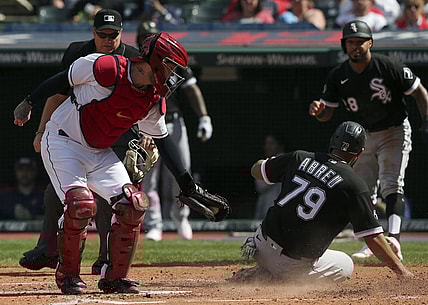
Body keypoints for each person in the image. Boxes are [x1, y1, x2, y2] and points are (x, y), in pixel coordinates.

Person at [13, 31, 229, 295]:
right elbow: (62, 80)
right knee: (80, 204)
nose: (173, 74)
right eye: (170, 66)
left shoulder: (152, 99)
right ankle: (68, 275)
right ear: (155, 60)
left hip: (99, 151)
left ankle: (114, 277)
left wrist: (188, 186)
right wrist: (28, 102)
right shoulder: (105, 67)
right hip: (63, 142)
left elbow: (164, 141)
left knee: (133, 204)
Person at [18, 8, 142, 276]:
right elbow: (58, 92)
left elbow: (145, 105)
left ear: (122, 33)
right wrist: (41, 131)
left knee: (118, 200)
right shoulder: (78, 52)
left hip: (118, 133)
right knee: (63, 194)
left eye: (114, 34)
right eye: (102, 34)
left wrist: (146, 138)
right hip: (77, 132)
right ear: (93, 32)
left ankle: (106, 258)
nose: (108, 40)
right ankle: (50, 249)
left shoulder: (133, 57)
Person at [232, 121, 414, 283]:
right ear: (359, 153)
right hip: (289, 265)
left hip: (259, 244)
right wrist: (402, 272)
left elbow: (257, 170)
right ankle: (268, 277)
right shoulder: (354, 185)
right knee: (345, 264)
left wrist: (272, 163)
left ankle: (263, 269)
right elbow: (373, 237)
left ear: (332, 142)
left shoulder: (299, 157)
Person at [308, 20, 428, 260]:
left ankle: (394, 239)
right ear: (344, 45)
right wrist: (319, 111)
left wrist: (426, 119)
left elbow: (419, 91)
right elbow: (327, 113)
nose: (356, 46)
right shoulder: (338, 75)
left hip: (394, 130)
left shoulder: (387, 66)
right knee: (363, 190)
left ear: (370, 42)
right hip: (362, 137)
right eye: (351, 42)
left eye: (360, 41)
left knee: (392, 183)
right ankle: (372, 243)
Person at [136, 21, 214, 241]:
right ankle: (154, 224)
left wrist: (204, 118)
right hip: (145, 127)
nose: (147, 39)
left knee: (182, 172)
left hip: (173, 123)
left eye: (150, 35)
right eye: (144, 36)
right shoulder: (134, 62)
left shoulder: (172, 60)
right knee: (148, 179)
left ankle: (182, 218)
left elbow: (191, 90)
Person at [253, 132, 286, 220]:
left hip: (277, 209)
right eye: (266, 143)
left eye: (271, 143)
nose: (267, 147)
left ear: (280, 145)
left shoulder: (282, 161)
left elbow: (261, 185)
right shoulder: (270, 162)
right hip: (267, 207)